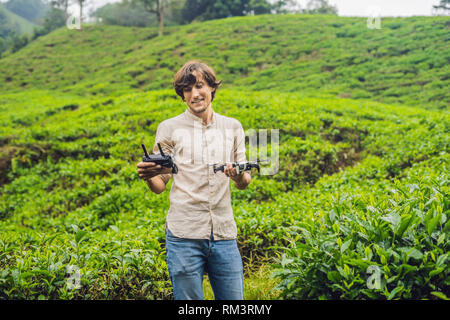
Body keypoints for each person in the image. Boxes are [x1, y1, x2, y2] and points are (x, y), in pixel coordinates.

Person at [136, 60, 251, 300]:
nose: (194, 94)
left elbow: (244, 181)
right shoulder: (169, 128)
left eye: (199, 86)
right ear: (182, 95)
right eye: (187, 89)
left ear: (212, 88)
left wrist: (237, 174)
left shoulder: (232, 127)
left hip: (223, 234)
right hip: (184, 235)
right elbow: (160, 185)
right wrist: (148, 176)